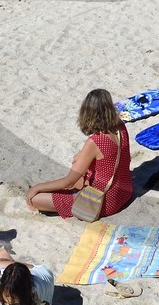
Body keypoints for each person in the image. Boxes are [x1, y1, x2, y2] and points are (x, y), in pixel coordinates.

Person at [25, 89, 132, 219]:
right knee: (78, 161)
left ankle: (59, 201)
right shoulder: (120, 126)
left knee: (35, 199)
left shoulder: (95, 142)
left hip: (102, 202)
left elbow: (68, 182)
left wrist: (37, 187)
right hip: (124, 192)